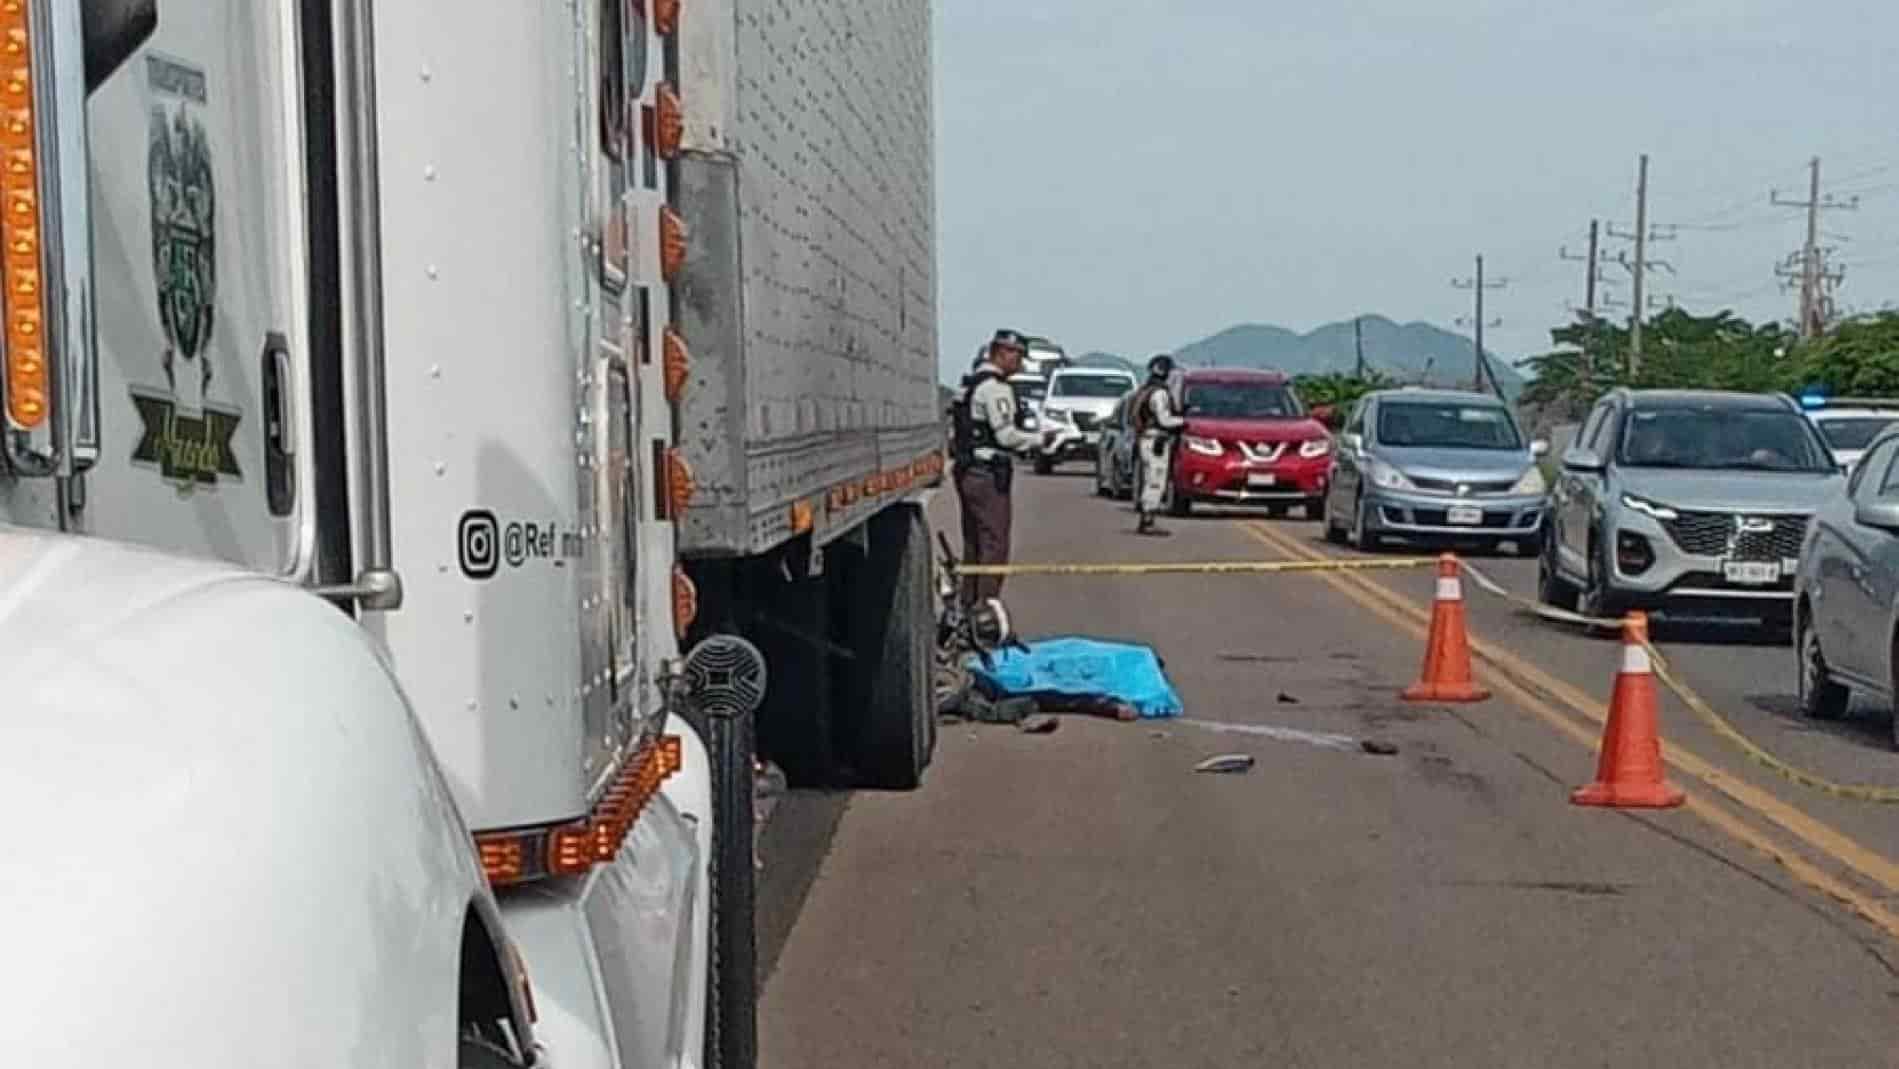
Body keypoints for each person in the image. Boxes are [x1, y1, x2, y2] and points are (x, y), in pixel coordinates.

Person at [952, 329, 1055, 607]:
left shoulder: (968, 384)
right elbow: (1006, 436)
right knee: (994, 544)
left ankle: (967, 609)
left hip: (967, 469)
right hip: (987, 473)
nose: (1020, 363)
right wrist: (1040, 440)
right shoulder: (996, 388)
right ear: (1002, 353)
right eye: (1017, 356)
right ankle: (986, 612)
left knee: (974, 544)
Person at [1130, 353, 1186, 535]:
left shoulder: (1144, 390)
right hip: (1156, 439)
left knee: (1149, 478)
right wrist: (1183, 421)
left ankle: (1147, 516)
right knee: (1155, 480)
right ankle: (1148, 520)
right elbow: (1164, 420)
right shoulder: (1159, 393)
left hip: (1144, 438)